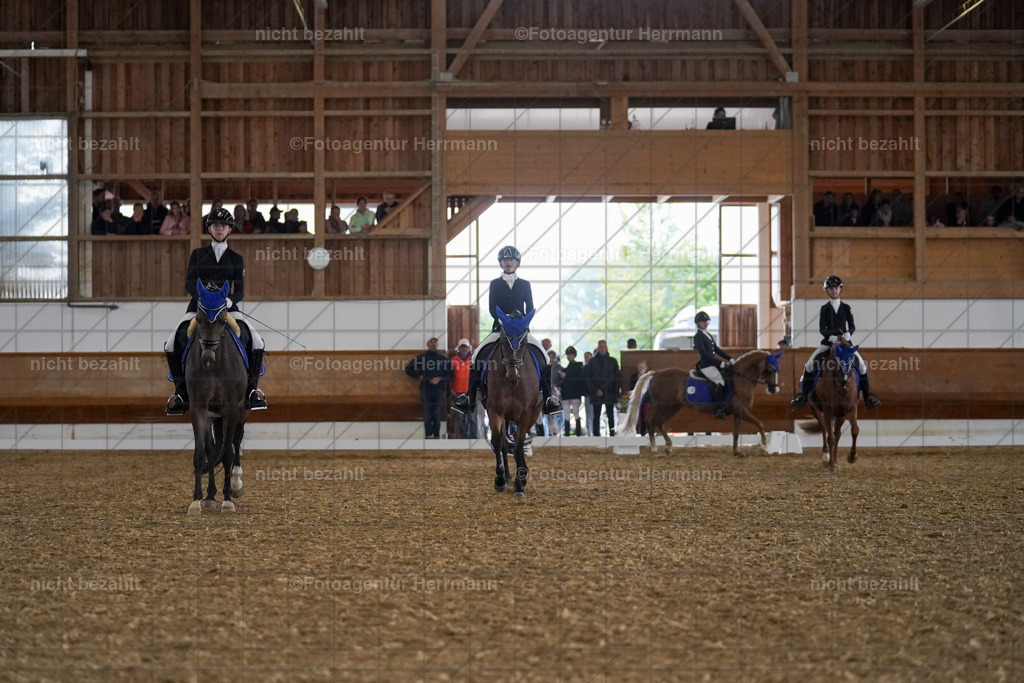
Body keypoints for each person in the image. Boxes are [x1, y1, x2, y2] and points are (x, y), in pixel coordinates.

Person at [162, 207, 267, 415]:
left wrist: (228, 301)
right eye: (216, 225)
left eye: (224, 226)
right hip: (199, 309)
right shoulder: (198, 254)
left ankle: (251, 391)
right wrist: (204, 300)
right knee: (172, 342)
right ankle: (181, 393)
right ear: (209, 228)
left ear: (229, 230)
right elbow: (189, 285)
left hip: (227, 309)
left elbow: (240, 292)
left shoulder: (236, 259)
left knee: (257, 341)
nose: (219, 229)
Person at [451, 245, 562, 417]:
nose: (508, 262)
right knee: (475, 356)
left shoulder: (525, 284)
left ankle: (549, 398)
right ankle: (469, 398)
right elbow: (492, 307)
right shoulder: (495, 284)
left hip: (521, 330)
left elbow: (530, 307)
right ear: (501, 263)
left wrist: (519, 321)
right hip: (500, 329)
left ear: (517, 263)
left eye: (511, 260)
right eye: (505, 260)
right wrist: (505, 320)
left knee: (545, 357)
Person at [790, 275, 881, 410]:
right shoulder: (824, 309)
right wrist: (830, 336)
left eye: (837, 288)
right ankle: (803, 396)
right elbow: (822, 328)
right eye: (831, 288)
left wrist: (848, 333)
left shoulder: (846, 307)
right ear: (827, 290)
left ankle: (868, 397)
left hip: (845, 343)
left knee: (861, 366)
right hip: (828, 343)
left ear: (840, 289)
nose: (834, 291)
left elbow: (852, 326)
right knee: (809, 365)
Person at [405, 337, 450, 439]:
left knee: (437, 413)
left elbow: (450, 375)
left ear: (438, 345)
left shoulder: (443, 359)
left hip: (439, 390)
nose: (433, 344)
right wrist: (419, 376)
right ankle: (428, 435)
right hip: (426, 389)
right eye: (431, 342)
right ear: (427, 344)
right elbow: (408, 369)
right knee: (427, 413)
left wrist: (440, 378)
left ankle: (437, 435)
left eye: (435, 343)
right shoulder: (422, 357)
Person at [693, 311, 732, 419]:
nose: (706, 323)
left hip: (713, 364)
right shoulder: (698, 336)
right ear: (698, 323)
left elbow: (717, 350)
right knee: (720, 381)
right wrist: (720, 363)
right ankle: (717, 409)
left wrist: (730, 358)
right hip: (706, 365)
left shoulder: (708, 334)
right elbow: (704, 354)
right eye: (703, 321)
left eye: (707, 321)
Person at [585, 340, 620, 435]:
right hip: (596, 393)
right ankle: (596, 436)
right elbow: (588, 378)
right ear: (598, 348)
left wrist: (616, 393)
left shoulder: (613, 361)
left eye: (604, 346)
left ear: (606, 348)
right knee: (596, 416)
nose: (602, 348)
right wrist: (596, 390)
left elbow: (617, 378)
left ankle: (612, 434)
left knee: (611, 415)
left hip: (610, 393)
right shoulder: (592, 362)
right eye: (600, 346)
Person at [450, 338, 475, 438]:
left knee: (472, 417)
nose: (464, 349)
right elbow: (449, 376)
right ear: (458, 348)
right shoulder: (453, 360)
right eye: (462, 347)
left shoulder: (474, 359)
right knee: (460, 417)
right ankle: (463, 439)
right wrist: (451, 389)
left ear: (469, 348)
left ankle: (473, 438)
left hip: (472, 393)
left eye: (466, 347)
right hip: (458, 393)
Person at [559, 346, 585, 436]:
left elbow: (578, 380)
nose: (569, 356)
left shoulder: (578, 367)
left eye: (571, 354)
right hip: (567, 394)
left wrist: (565, 377)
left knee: (576, 414)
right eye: (568, 355)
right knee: (567, 415)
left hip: (574, 394)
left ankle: (577, 434)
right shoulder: (567, 369)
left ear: (574, 355)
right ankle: (567, 434)